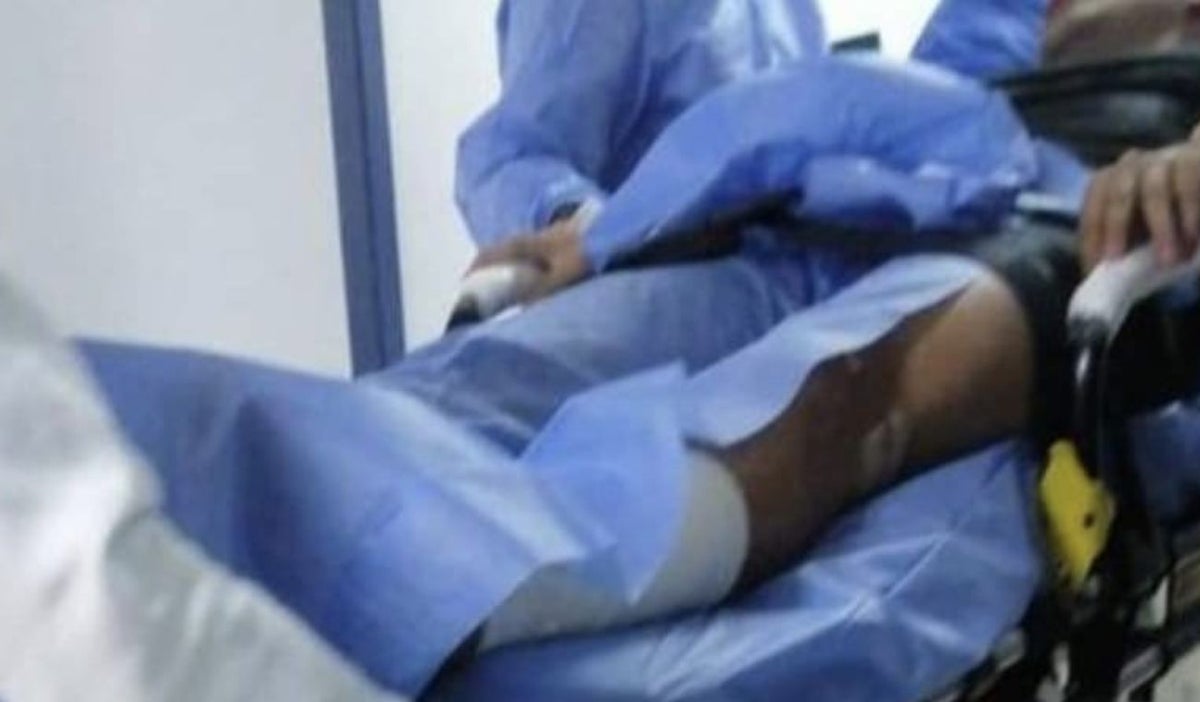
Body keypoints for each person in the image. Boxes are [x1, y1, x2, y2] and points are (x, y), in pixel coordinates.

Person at [10, 0, 1197, 700]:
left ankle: (489, 594)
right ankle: (139, 492)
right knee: (496, 381)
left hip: (1077, 238)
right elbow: (821, 114)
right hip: (823, 219)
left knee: (831, 401)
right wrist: (611, 230)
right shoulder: (984, 25)